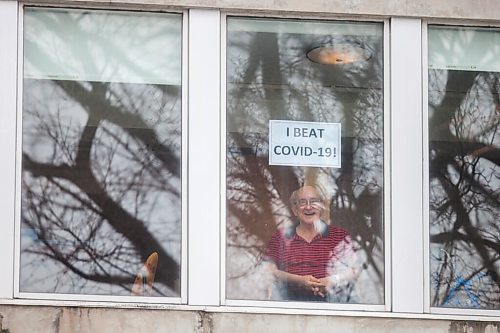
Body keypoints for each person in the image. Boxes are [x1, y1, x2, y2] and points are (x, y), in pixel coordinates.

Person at [264, 185, 359, 302]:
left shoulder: (339, 236)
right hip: (289, 303)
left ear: (322, 207)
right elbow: (269, 270)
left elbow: (354, 270)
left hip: (333, 303)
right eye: (302, 202)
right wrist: (299, 280)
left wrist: (331, 280)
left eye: (313, 201)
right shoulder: (281, 236)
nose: (308, 207)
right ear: (295, 210)